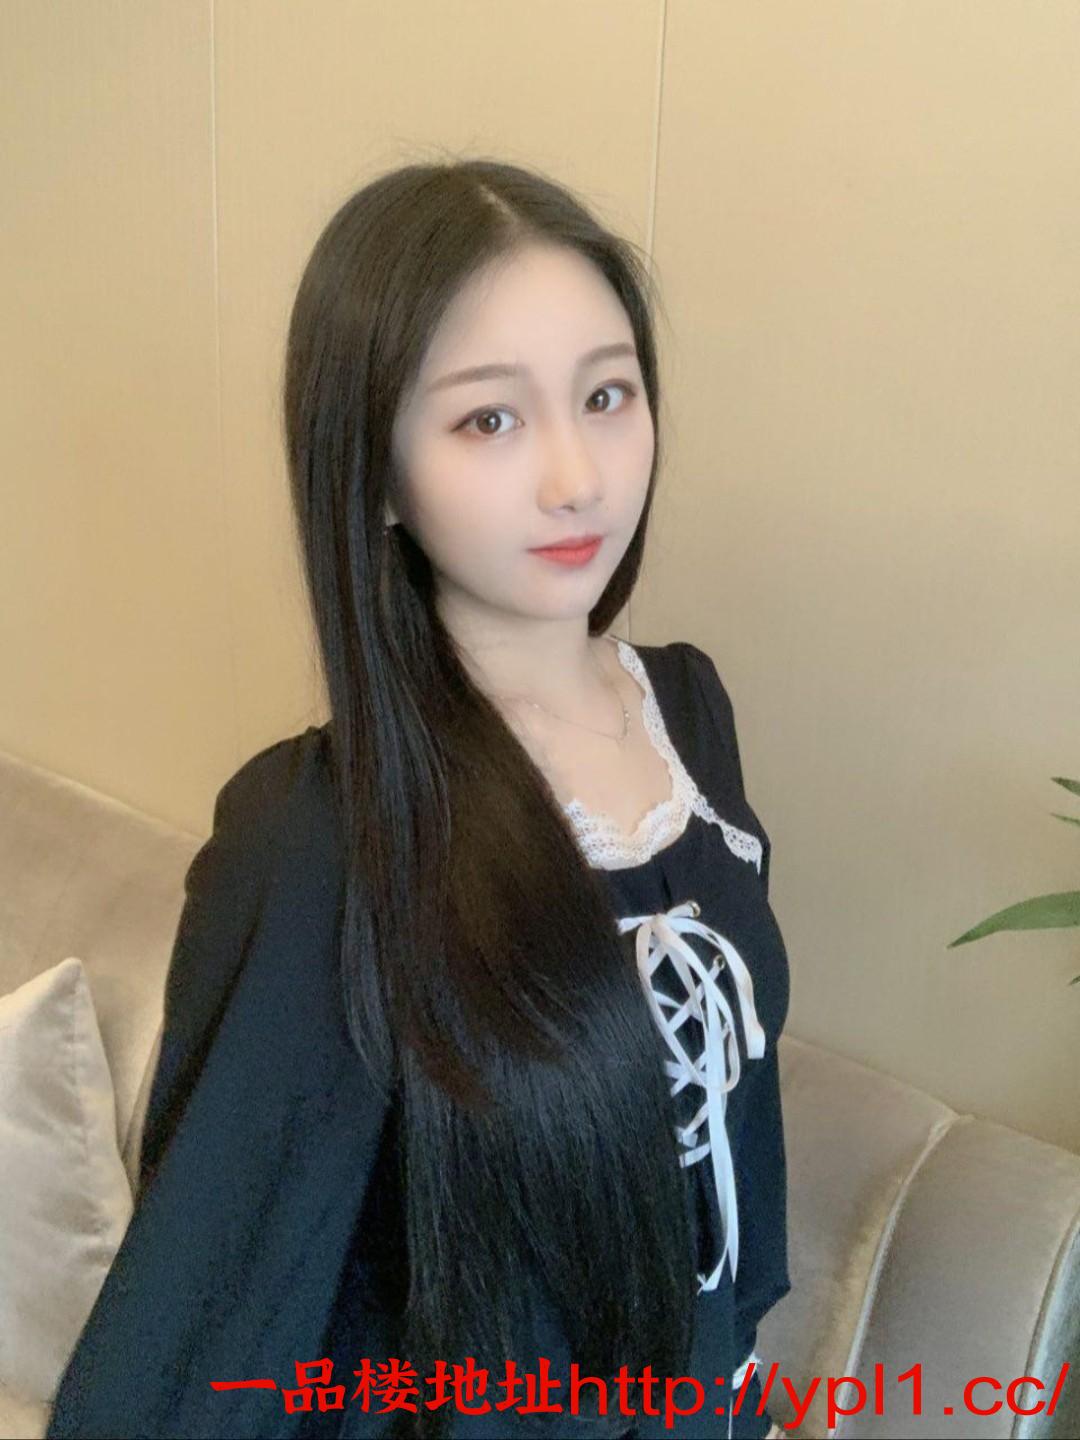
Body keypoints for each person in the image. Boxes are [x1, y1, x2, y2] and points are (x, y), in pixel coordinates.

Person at [46, 156, 791, 1440]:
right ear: (376, 471)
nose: (577, 476)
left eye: (606, 395)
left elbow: (737, 1125)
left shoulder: (690, 711)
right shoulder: (319, 837)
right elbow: (211, 1309)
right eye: (488, 420)